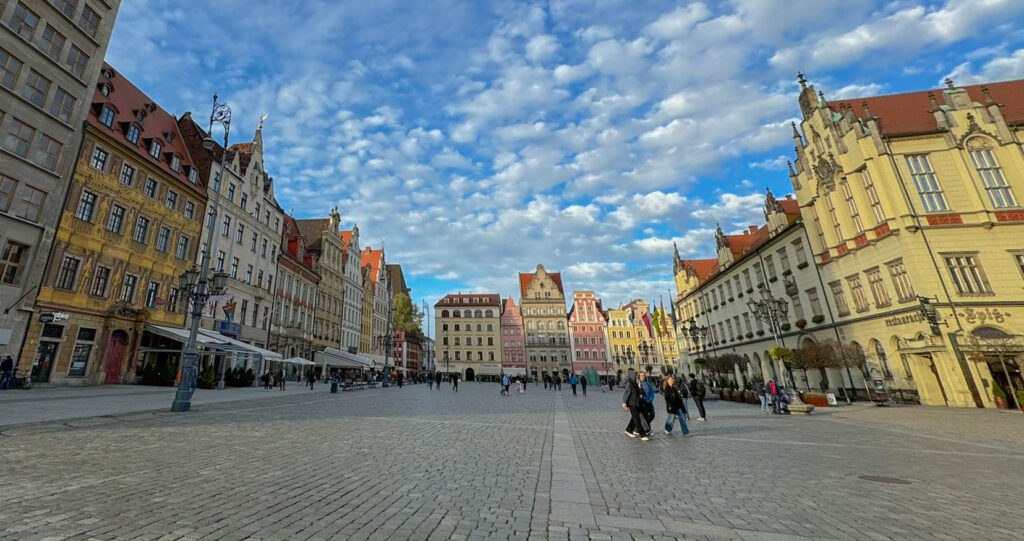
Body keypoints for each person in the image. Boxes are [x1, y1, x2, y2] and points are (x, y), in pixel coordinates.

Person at [622, 369, 650, 441]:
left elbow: (640, 391)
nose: (636, 376)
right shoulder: (629, 384)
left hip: (637, 403)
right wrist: (624, 402)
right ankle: (642, 435)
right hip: (632, 404)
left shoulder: (635, 383)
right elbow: (626, 393)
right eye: (635, 375)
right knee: (637, 419)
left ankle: (628, 430)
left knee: (634, 418)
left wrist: (641, 389)